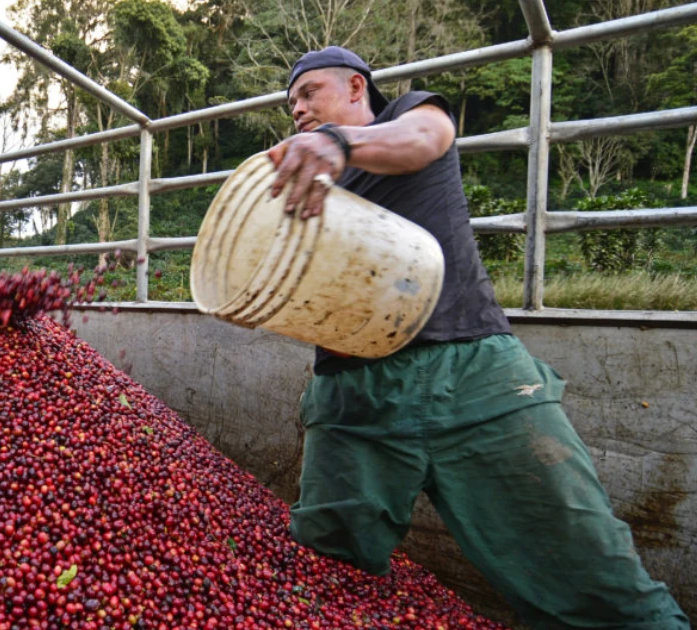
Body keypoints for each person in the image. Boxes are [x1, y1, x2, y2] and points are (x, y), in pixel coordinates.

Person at [267, 46, 690, 630]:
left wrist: (339, 143)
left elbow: (423, 137)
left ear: (357, 88)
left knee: (591, 579)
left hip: (472, 374)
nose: (296, 108)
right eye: (289, 102)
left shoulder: (409, 118)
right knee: (324, 570)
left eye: (308, 92)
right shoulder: (310, 186)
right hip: (353, 395)